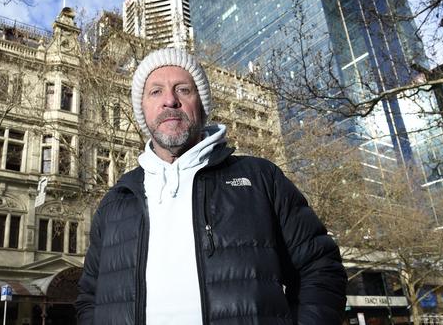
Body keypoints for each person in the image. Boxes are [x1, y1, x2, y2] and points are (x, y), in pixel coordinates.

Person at [76, 48, 347, 325]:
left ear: (202, 105)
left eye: (183, 89)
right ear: (142, 109)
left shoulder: (261, 178)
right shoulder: (115, 201)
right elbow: (89, 297)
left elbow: (320, 268)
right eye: (155, 92)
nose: (170, 100)